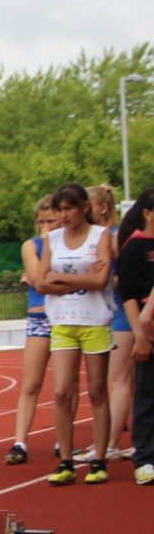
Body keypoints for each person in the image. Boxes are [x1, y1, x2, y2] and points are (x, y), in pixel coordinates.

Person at [37, 182, 113, 485]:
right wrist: (82, 280)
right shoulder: (52, 238)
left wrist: (62, 277)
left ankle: (99, 459)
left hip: (94, 320)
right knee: (60, 392)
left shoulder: (100, 236)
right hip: (63, 321)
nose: (64, 215)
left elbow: (102, 279)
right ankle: (66, 460)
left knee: (96, 391)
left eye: (69, 208)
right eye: (60, 210)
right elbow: (41, 282)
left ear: (84, 207)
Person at [5, 195, 79, 464]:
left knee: (69, 384)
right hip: (39, 318)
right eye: (41, 222)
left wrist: (45, 279)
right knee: (31, 383)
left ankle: (63, 441)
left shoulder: (71, 245)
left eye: (51, 220)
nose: (46, 226)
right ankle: (19, 442)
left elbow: (44, 278)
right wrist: (55, 278)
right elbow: (37, 279)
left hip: (67, 316)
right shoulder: (32, 245)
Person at [87, 184, 135, 463]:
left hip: (120, 313)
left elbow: (125, 277)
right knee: (115, 381)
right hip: (101, 314)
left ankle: (112, 443)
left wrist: (101, 278)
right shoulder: (94, 236)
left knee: (118, 380)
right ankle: (126, 442)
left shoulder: (116, 238)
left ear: (103, 208)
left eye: (88, 206)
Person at [115, 187, 154, 484]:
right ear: (147, 213)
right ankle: (144, 459)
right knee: (147, 397)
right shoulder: (134, 248)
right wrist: (140, 335)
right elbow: (128, 294)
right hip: (148, 333)